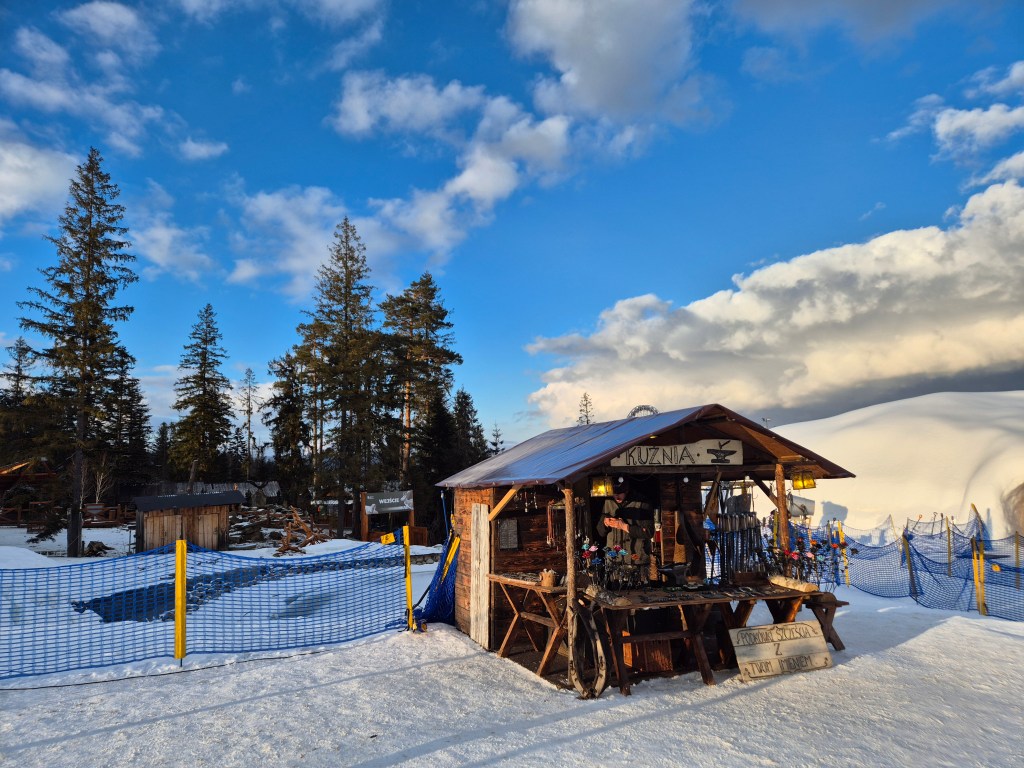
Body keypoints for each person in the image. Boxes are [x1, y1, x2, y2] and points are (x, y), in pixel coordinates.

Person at [597, 477, 655, 566]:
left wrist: (624, 527)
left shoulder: (642, 502)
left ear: (627, 491)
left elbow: (649, 532)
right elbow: (601, 532)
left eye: (619, 493)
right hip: (614, 560)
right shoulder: (608, 502)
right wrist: (605, 523)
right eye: (614, 493)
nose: (616, 496)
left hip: (637, 560)